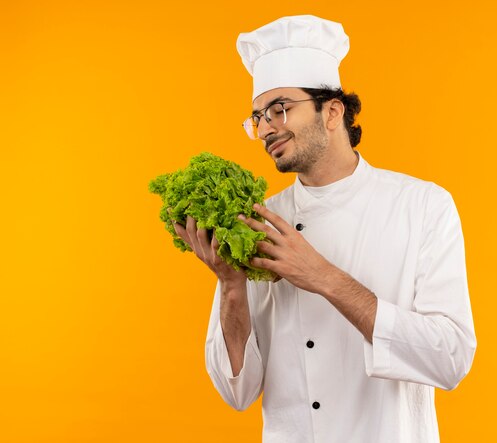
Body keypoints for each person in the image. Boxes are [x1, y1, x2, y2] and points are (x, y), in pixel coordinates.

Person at [173, 15, 476, 443]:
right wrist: (231, 283)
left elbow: (450, 358)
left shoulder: (422, 206)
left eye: (280, 108)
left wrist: (322, 276)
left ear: (333, 111)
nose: (265, 129)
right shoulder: (260, 219)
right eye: (257, 116)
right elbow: (236, 390)